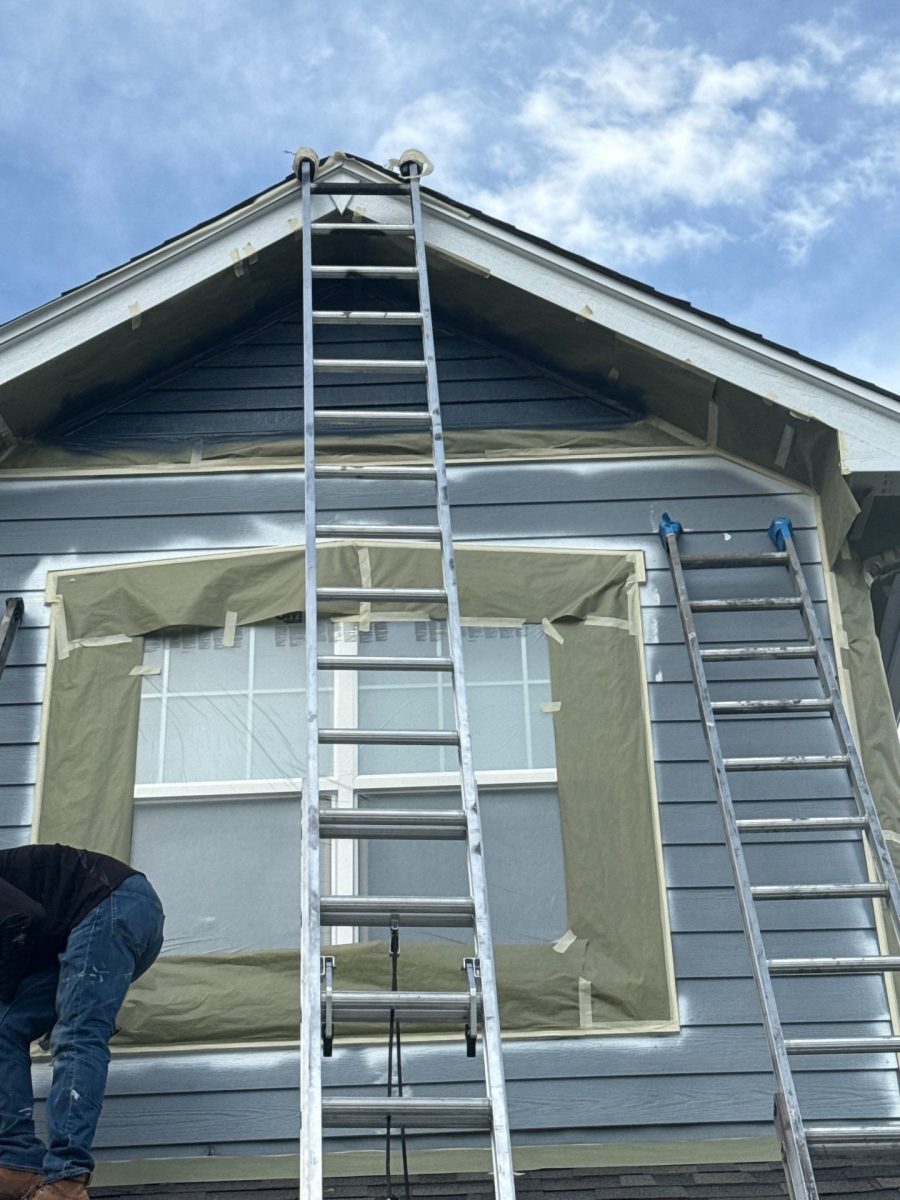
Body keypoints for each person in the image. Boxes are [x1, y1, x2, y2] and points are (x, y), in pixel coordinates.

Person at [0, 845, 164, 1200]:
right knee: (4, 1027)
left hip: (112, 902)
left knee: (77, 1032)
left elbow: (21, 918)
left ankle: (67, 1180)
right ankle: (16, 1162)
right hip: (81, 924)